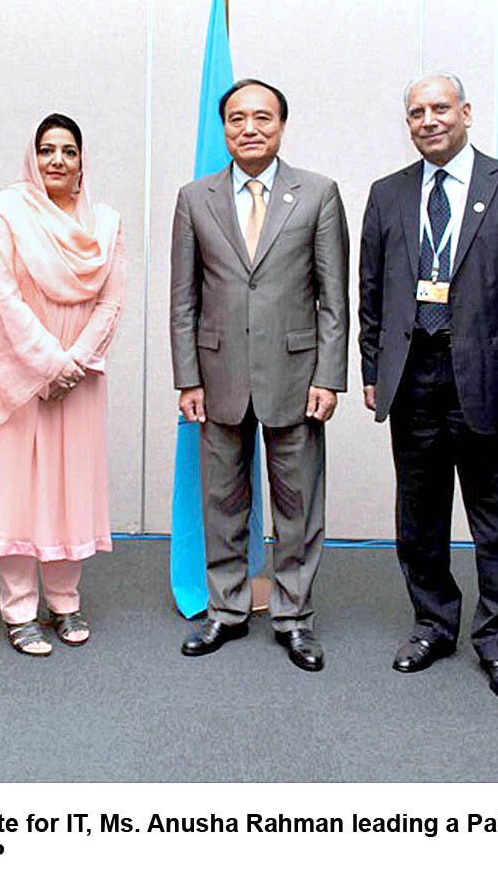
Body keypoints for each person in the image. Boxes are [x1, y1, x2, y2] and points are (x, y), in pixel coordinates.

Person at [358, 73, 498, 702]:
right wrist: (373, 368)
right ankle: (433, 623)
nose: (428, 120)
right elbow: (372, 291)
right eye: (415, 112)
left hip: (486, 375)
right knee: (420, 515)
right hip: (412, 377)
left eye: (439, 108)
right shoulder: (387, 194)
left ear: (466, 111)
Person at [170, 79, 349, 672]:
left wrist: (329, 376)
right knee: (222, 502)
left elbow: (333, 298)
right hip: (217, 375)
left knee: (297, 505)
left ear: (281, 125)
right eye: (237, 118)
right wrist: (187, 378)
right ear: (223, 127)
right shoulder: (195, 198)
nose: (250, 128)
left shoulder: (318, 194)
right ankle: (225, 610)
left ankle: (294, 617)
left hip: (297, 378)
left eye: (262, 118)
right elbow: (183, 300)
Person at [0, 113, 125, 656]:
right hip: (14, 374)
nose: (57, 160)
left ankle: (66, 601)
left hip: (79, 379)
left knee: (68, 488)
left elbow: (112, 301)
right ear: (33, 157)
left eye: (68, 151)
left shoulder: (105, 223)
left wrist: (72, 364)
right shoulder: (3, 215)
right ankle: (19, 609)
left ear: (81, 161)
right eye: (47, 150)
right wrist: (49, 364)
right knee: (16, 493)